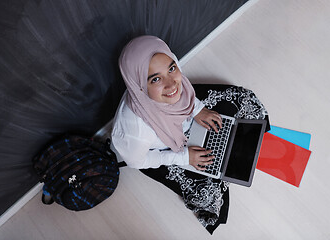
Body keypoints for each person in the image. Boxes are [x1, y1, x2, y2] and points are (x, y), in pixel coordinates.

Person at [111, 35, 269, 234]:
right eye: (156, 79)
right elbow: (137, 161)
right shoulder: (134, 132)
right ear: (139, 86)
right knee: (209, 194)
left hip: (183, 120)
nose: (172, 84)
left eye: (172, 68)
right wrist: (185, 156)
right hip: (164, 151)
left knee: (242, 100)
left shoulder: (171, 78)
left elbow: (182, 89)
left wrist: (197, 109)